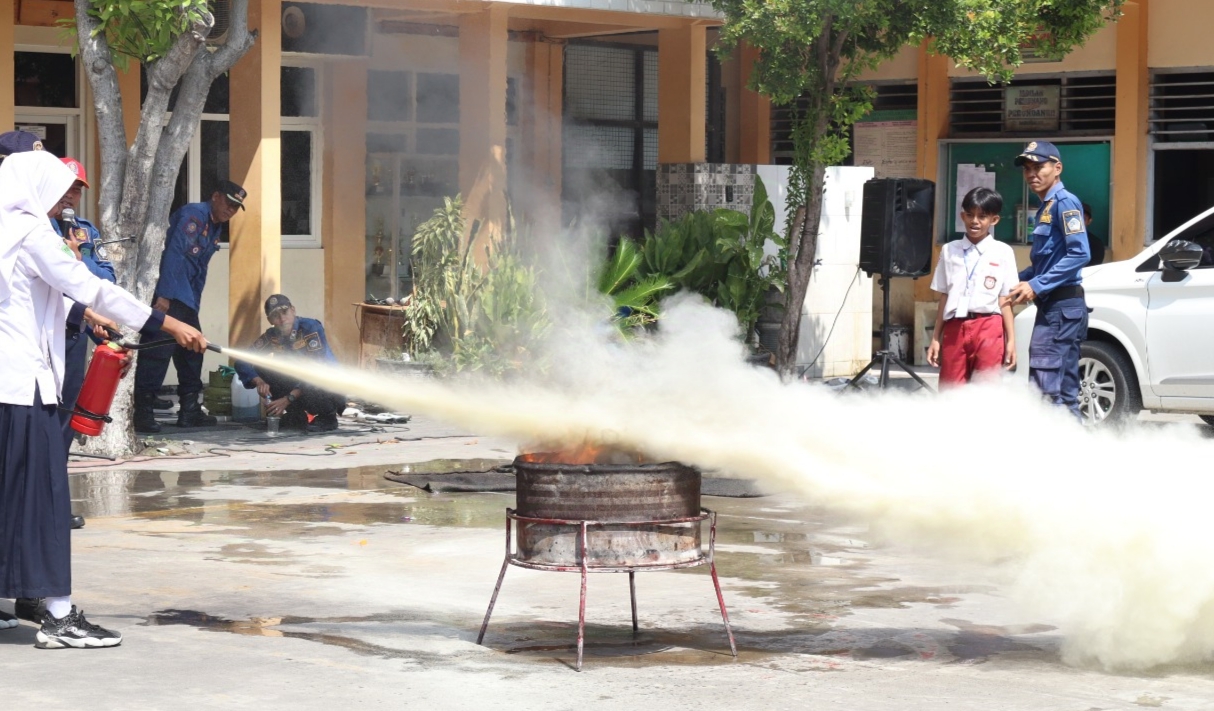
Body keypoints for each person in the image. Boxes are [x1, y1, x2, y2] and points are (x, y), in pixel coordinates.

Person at [0, 151, 208, 646]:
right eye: (58, 190)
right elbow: (89, 286)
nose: (64, 201)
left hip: (6, 387)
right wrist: (168, 323)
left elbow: (46, 296)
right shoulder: (32, 234)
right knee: (47, 500)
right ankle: (58, 617)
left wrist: (86, 318)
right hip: (26, 387)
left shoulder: (5, 231)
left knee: (10, 497)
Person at [133, 180, 246, 433]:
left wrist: (194, 304)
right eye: (228, 203)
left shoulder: (214, 226)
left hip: (186, 298)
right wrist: (164, 295)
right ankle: (142, 412)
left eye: (236, 207)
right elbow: (174, 254)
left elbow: (199, 269)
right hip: (170, 294)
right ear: (215, 196)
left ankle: (190, 410)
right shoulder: (194, 215)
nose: (231, 210)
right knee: (157, 353)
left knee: (193, 351)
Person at [1007, 141, 1091, 419]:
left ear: (1057, 168)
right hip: (1055, 307)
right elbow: (1045, 262)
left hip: (1060, 307)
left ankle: (1053, 444)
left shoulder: (1064, 202)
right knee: (1063, 395)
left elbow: (1080, 254)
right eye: (1027, 169)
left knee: (1046, 391)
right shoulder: (1047, 205)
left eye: (1038, 167)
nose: (1032, 174)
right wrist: (1014, 281)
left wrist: (1036, 285)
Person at [926, 187, 1019, 386]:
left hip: (989, 326)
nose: (974, 221)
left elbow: (1005, 299)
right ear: (962, 216)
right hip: (955, 327)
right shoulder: (949, 250)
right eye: (969, 215)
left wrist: (1011, 341)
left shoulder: (1003, 252)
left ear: (994, 220)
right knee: (950, 389)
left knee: (986, 389)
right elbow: (945, 295)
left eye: (982, 216)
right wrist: (936, 338)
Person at [234, 294, 345, 433]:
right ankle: (296, 416)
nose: (282, 319)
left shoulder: (310, 327)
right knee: (261, 367)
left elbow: (316, 368)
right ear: (269, 320)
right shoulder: (271, 336)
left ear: (293, 310)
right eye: (275, 316)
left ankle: (328, 417)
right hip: (300, 386)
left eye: (285, 312)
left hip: (329, 388)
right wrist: (259, 381)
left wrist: (287, 399)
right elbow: (242, 361)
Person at [1082, 203, 1106, 267]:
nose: (1079, 222)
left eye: (1083, 219)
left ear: (1089, 221)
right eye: (1077, 218)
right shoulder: (1060, 240)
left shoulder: (1096, 244)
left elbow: (1093, 268)